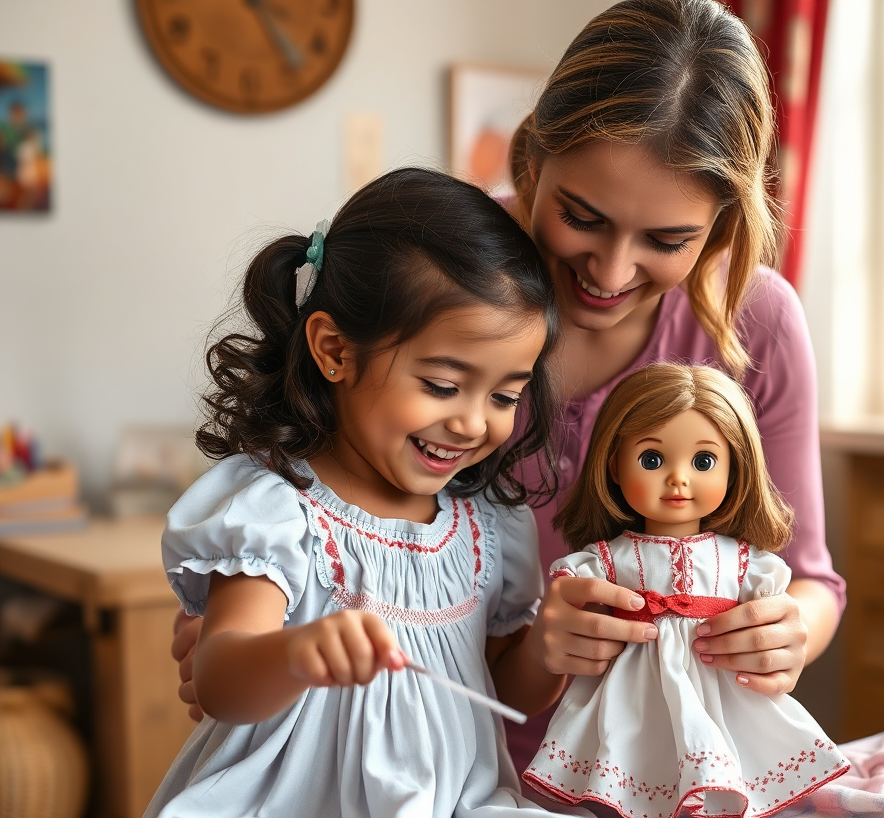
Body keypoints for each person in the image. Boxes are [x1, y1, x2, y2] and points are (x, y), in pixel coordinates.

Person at [104, 168, 785, 818]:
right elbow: (219, 681)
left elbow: (502, 692)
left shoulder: (486, 525)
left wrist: (546, 651)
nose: (473, 422)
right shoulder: (278, 512)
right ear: (333, 350)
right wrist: (296, 653)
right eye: (442, 384)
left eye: (505, 395)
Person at [172, 0, 845, 774]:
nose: (612, 272)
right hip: (473, 764)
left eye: (667, 241)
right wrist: (262, 634)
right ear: (533, 160)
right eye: (582, 217)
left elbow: (811, 577)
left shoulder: (757, 321)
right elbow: (322, 505)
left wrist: (786, 629)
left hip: (686, 766)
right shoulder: (450, 283)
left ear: (723, 227)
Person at [522, 363, 849, 818]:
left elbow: (787, 599)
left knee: (724, 744)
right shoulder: (610, 559)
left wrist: (777, 632)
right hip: (632, 683)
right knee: (636, 741)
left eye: (703, 461)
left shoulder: (741, 562)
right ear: (614, 464)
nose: (678, 479)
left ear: (735, 468)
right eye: (652, 460)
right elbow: (571, 585)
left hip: (718, 679)